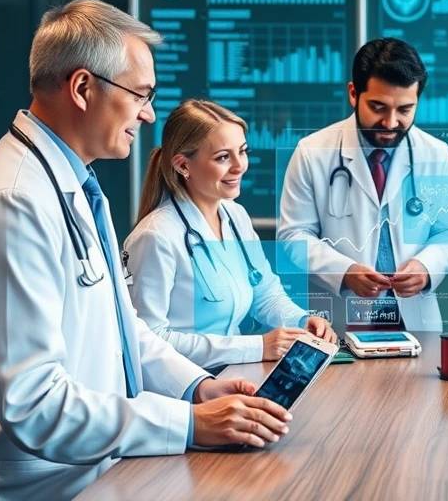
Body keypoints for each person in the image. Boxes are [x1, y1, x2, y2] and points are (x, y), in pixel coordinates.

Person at [0, 0, 290, 500]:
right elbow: (34, 404)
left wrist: (196, 388)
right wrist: (189, 422)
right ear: (83, 88)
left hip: (92, 472)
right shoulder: (12, 203)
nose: (148, 114)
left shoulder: (72, 187)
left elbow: (125, 332)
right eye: (140, 95)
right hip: (27, 487)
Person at [124, 100, 337, 372]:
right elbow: (149, 340)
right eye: (223, 157)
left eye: (242, 152)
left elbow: (265, 293)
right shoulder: (156, 236)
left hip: (233, 374)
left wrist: (302, 321)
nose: (240, 166)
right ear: (182, 165)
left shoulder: (236, 217)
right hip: (181, 390)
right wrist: (257, 347)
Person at [277, 38, 448, 332]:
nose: (391, 122)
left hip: (415, 319)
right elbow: (292, 235)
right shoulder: (312, 152)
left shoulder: (435, 154)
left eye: (405, 109)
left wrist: (426, 268)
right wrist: (343, 271)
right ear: (354, 94)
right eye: (378, 107)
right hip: (340, 319)